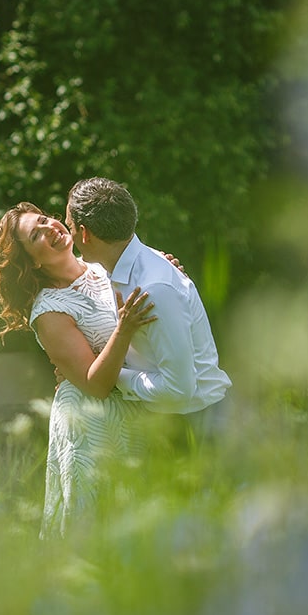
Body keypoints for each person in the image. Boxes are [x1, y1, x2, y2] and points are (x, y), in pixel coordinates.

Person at [0, 201, 157, 537]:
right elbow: (94, 384)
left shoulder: (101, 266)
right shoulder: (49, 310)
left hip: (137, 411)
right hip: (90, 423)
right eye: (36, 234)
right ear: (32, 261)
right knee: (99, 531)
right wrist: (123, 330)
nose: (51, 227)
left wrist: (162, 272)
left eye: (46, 220)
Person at [64, 177, 231, 443]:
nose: (68, 234)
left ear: (84, 233)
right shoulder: (111, 267)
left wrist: (111, 375)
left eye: (69, 226)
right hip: (168, 422)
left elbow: (179, 391)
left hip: (196, 427)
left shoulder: (153, 290)